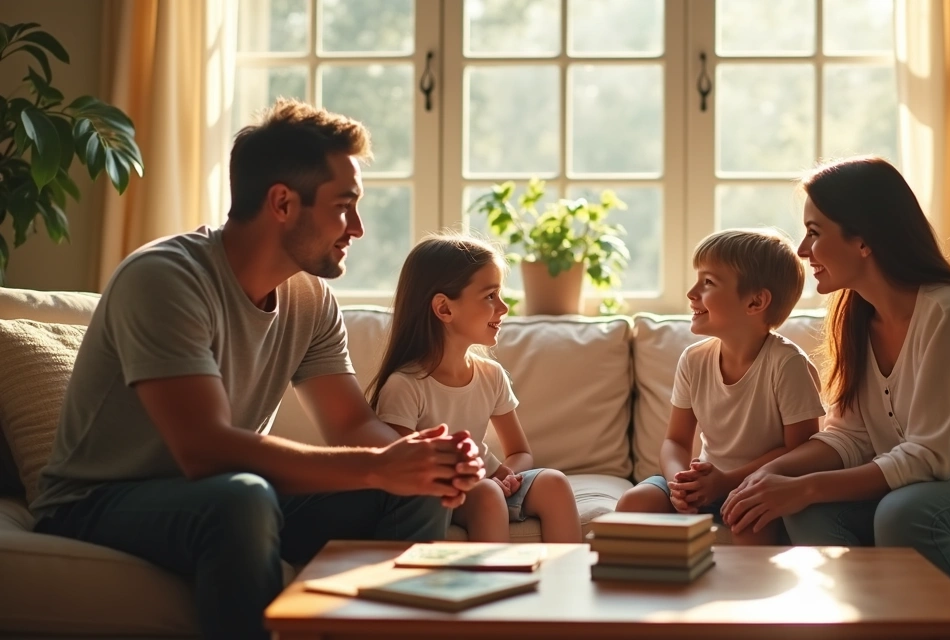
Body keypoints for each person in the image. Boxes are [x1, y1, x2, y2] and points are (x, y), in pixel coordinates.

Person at [29, 99, 484, 640]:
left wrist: (421, 461)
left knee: (413, 488)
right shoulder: (166, 279)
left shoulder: (309, 297)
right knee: (242, 495)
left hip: (232, 494)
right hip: (101, 502)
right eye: (345, 206)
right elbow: (204, 451)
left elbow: (352, 427)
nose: (357, 228)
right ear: (283, 203)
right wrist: (375, 467)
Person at [721, 156, 950, 592]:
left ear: (863, 240)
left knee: (906, 511)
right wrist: (773, 476)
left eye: (815, 232)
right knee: (807, 511)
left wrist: (807, 487)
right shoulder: (855, 317)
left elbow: (929, 456)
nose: (803, 251)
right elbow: (850, 436)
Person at [366, 233, 583, 543]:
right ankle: (494, 588)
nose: (504, 307)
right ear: (444, 309)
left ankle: (569, 586)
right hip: (438, 495)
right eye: (490, 296)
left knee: (554, 484)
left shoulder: (491, 375)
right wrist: (482, 481)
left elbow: (520, 452)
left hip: (486, 481)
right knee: (486, 494)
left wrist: (507, 474)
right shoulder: (405, 386)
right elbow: (404, 469)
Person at [615, 229, 825, 545]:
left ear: (755, 301)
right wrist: (679, 484)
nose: (691, 292)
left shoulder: (786, 364)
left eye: (708, 282)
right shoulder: (694, 359)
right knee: (634, 502)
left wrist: (726, 482)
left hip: (754, 488)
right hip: (705, 485)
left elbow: (801, 449)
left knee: (748, 523)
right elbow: (675, 440)